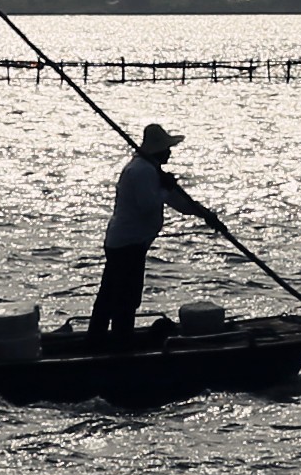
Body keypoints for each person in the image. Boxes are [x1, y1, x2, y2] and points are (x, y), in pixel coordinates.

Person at [88, 123, 217, 345]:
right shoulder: (142, 170)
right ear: (159, 150)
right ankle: (118, 343)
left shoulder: (152, 170)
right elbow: (148, 204)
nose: (170, 152)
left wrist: (204, 214)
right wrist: (167, 187)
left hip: (129, 242)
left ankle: (99, 339)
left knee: (111, 294)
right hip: (127, 243)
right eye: (167, 148)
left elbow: (178, 201)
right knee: (124, 298)